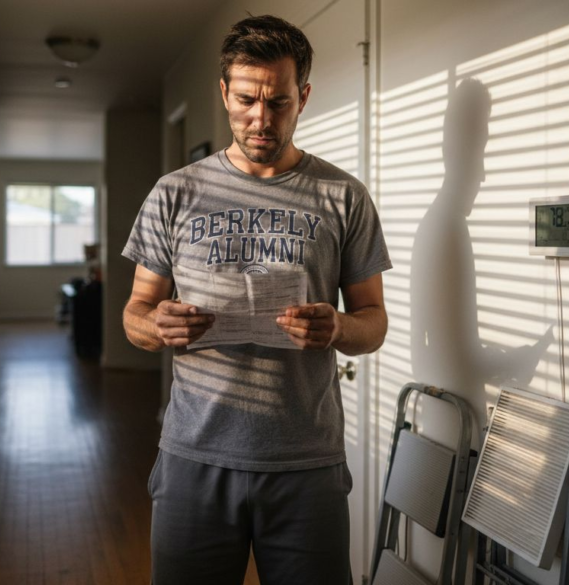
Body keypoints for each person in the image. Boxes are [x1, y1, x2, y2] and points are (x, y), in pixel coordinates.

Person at [122, 14, 391, 585]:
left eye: (279, 102)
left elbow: (374, 322)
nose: (261, 118)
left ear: (304, 97)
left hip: (306, 465)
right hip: (195, 457)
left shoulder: (344, 197)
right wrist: (158, 324)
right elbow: (136, 314)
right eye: (246, 99)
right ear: (224, 93)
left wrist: (337, 328)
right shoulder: (175, 192)